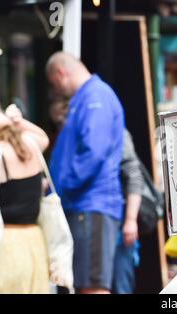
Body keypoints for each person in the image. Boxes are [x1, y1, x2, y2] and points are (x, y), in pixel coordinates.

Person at [46, 52, 125, 294]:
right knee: (80, 283)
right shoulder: (89, 97)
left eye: (54, 85)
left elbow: (93, 152)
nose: (57, 91)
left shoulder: (95, 96)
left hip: (91, 205)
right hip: (83, 205)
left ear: (60, 74)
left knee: (92, 286)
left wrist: (61, 187)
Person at [0, 84, 50, 293]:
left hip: (0, 247)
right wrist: (13, 120)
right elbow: (44, 137)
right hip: (33, 245)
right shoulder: (30, 144)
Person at [112, 129, 143, 294]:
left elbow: (133, 175)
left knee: (121, 283)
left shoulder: (116, 129)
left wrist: (131, 220)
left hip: (119, 219)